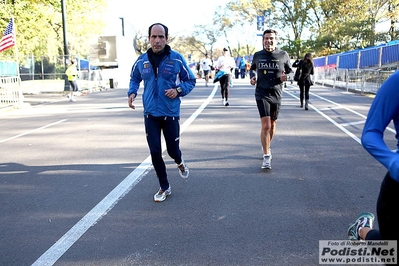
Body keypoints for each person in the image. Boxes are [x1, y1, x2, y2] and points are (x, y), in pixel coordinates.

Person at [127, 23, 196, 202]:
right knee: (155, 151)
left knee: (173, 151)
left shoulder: (177, 59)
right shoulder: (141, 61)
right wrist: (132, 92)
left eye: (161, 37)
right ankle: (164, 186)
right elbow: (134, 78)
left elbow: (190, 80)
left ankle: (180, 162)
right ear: (149, 38)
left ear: (166, 38)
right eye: (154, 37)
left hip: (170, 112)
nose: (157, 41)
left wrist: (178, 90)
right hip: (150, 113)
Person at [347, 70, 399, 247]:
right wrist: (393, 162)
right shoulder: (397, 81)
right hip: (397, 186)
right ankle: (361, 230)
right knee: (391, 252)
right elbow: (371, 133)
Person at [249, 29, 292, 169]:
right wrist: (252, 77)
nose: (268, 41)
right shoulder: (258, 55)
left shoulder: (283, 54)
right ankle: (266, 156)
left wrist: (286, 77)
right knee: (266, 125)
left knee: (273, 125)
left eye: (271, 38)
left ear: (276, 40)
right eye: (266, 38)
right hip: (261, 93)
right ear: (263, 40)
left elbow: (291, 72)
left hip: (276, 93)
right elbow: (252, 69)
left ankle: (266, 144)